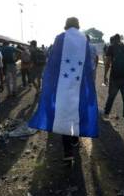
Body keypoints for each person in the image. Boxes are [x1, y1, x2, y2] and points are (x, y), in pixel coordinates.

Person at [28, 17, 98, 161]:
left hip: (63, 86)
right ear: (78, 25)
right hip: (78, 85)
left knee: (64, 114)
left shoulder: (60, 38)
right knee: (76, 111)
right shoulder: (84, 39)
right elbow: (88, 66)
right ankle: (75, 139)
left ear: (66, 25)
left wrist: (49, 84)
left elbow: (52, 63)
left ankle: (68, 153)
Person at [103, 34, 124, 131]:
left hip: (115, 77)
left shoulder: (111, 47)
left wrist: (105, 75)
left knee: (111, 97)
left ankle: (106, 114)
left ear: (112, 40)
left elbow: (108, 62)